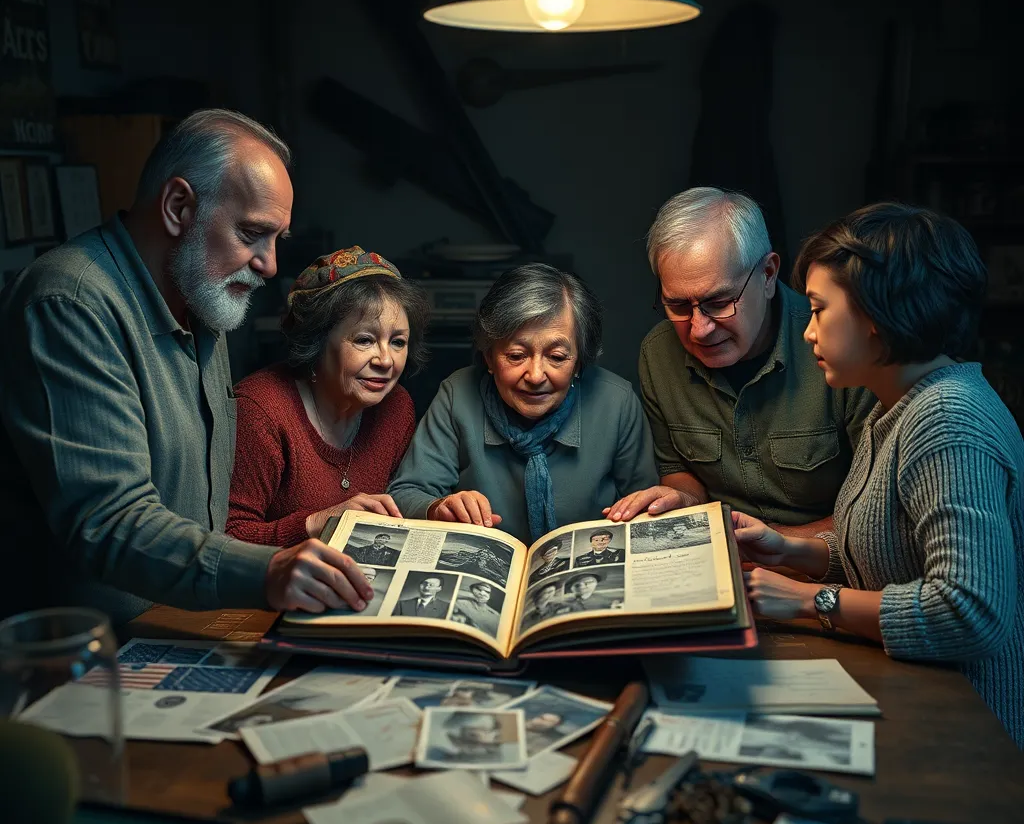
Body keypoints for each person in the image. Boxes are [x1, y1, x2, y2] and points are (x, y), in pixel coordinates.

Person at [0, 108, 374, 624]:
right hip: (86, 658)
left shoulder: (201, 297)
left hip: (184, 624)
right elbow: (110, 522)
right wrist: (267, 572)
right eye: (251, 234)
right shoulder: (71, 302)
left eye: (275, 241)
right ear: (178, 207)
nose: (269, 265)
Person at [730, 202, 1024, 748]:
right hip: (918, 697)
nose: (808, 333)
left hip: (970, 735)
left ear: (875, 315)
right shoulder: (895, 406)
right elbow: (894, 550)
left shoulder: (948, 420)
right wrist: (794, 551)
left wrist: (806, 600)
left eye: (819, 311)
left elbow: (970, 611)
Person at [605, 188, 876, 535]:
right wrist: (682, 499)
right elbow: (677, 467)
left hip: (828, 563)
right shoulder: (658, 354)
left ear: (767, 274)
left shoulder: (840, 346)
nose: (699, 329)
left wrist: (771, 546)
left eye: (718, 302)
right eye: (678, 307)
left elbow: (876, 514)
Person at [389, 263, 658, 543]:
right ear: (490, 358)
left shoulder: (616, 402)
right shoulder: (458, 394)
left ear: (579, 361)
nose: (535, 376)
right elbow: (407, 492)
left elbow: (646, 504)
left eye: (556, 357)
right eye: (516, 355)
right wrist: (438, 507)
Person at [227, 247, 429, 547]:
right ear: (317, 341)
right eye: (365, 340)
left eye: (398, 342)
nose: (387, 360)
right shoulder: (260, 411)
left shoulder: (396, 407)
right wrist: (317, 523)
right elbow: (225, 542)